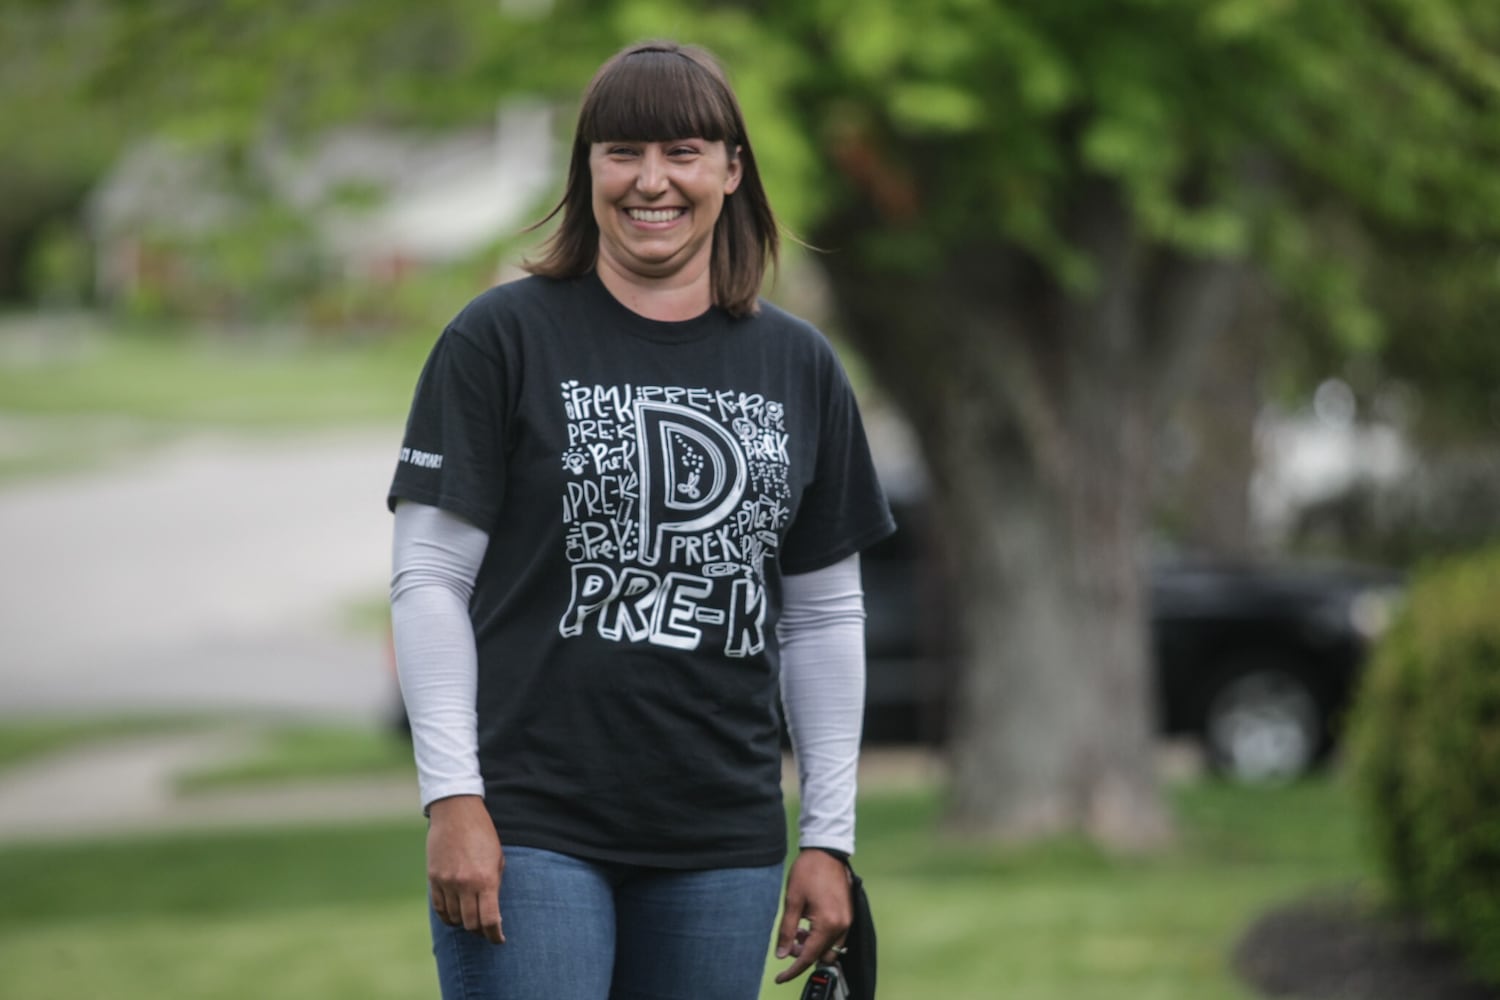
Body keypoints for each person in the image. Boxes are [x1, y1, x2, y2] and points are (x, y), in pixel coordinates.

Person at [387, 39, 894, 1000]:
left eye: (683, 151)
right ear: (587, 170)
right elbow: (428, 581)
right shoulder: (500, 340)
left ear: (732, 171)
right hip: (530, 825)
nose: (650, 181)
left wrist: (828, 838)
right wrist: (453, 798)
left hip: (721, 840)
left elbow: (825, 620)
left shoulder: (801, 368)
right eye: (622, 151)